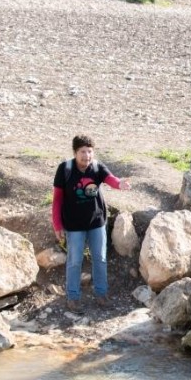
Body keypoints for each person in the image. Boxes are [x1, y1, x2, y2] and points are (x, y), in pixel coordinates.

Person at [52, 134, 131, 313]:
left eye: (89, 151)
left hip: (97, 222)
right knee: (74, 261)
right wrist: (57, 225)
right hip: (73, 225)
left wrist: (121, 184)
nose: (86, 156)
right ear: (75, 152)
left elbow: (111, 179)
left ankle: (101, 294)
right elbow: (57, 200)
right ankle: (73, 297)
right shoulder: (64, 169)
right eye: (82, 152)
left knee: (100, 259)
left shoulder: (96, 167)